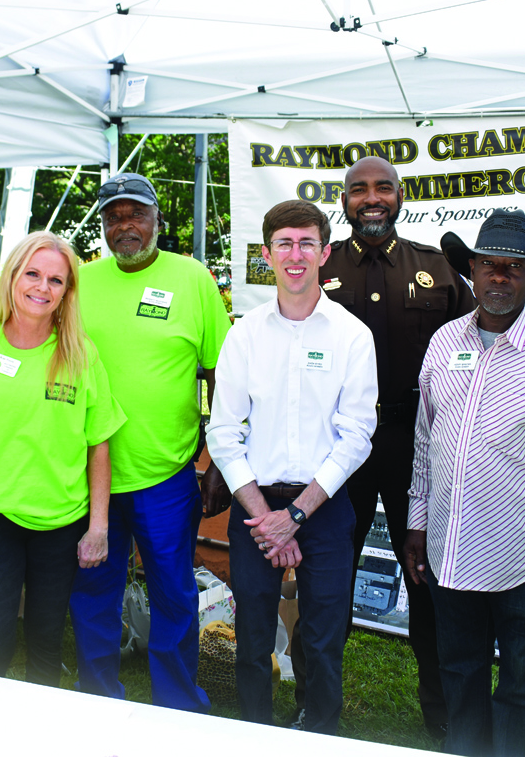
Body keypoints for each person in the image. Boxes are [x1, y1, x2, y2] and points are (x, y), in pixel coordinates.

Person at [404, 208, 525, 757]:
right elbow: (426, 442)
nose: (499, 278)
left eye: (513, 269)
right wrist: (418, 523)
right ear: (470, 270)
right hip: (449, 557)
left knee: (523, 690)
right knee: (460, 676)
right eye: (489, 266)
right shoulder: (444, 343)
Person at [315, 155, 474, 739]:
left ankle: (446, 720)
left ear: (401, 195)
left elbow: (472, 351)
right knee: (327, 579)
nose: (371, 197)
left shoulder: (436, 269)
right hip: (339, 448)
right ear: (345, 200)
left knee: (430, 585)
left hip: (419, 444)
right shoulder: (320, 267)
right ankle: (316, 707)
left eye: (383, 187)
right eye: (359, 189)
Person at [207, 199, 378, 735]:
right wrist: (267, 518)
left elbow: (357, 437)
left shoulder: (353, 335)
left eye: (307, 243)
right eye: (285, 243)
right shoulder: (245, 334)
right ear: (267, 255)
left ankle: (319, 729)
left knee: (325, 636)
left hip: (323, 509)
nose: (296, 254)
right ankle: (253, 732)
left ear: (325, 253)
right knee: (253, 635)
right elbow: (223, 432)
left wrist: (296, 517)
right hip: (256, 507)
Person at [68, 172, 232, 711]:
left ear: (157, 218)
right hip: (91, 477)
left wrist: (216, 463)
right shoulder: (81, 282)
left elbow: (221, 376)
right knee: (94, 593)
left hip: (166, 474)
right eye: (113, 217)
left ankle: (178, 705)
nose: (125, 226)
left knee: (173, 594)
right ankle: (96, 698)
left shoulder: (192, 279)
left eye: (135, 214)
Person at [0, 231, 125, 685]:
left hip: (60, 522)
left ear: (67, 293)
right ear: (12, 276)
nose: (42, 287)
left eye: (56, 281)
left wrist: (98, 526)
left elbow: (98, 442)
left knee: (45, 640)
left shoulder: (80, 354)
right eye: (32, 274)